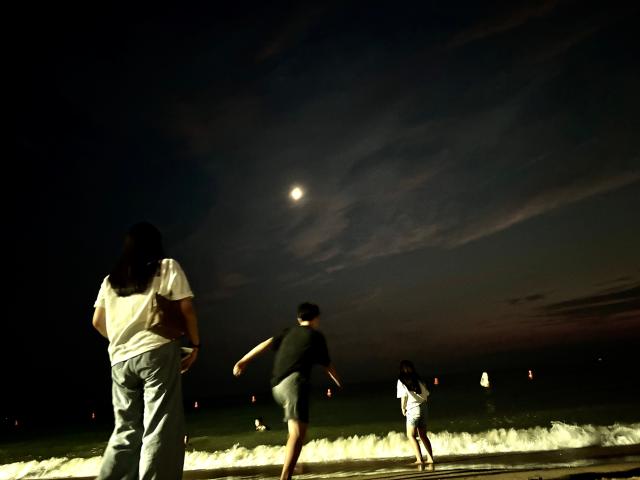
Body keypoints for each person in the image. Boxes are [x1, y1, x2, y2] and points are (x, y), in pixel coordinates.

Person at [92, 222, 201, 480]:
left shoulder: (111, 280)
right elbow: (186, 309)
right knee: (160, 425)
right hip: (157, 351)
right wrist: (196, 345)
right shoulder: (167, 267)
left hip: (119, 360)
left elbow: (97, 321)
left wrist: (122, 339)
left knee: (125, 429)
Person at [233, 302, 341, 480]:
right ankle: (285, 477)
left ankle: (287, 474)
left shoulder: (288, 331)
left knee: (298, 432)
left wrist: (243, 361)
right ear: (316, 318)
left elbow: (266, 343)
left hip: (277, 386)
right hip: (294, 384)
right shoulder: (316, 335)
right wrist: (338, 381)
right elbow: (327, 364)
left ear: (299, 318)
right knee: (297, 434)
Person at [397, 360, 434, 465]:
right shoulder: (418, 379)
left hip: (413, 409)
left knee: (410, 435)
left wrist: (403, 408)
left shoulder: (401, 380)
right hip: (424, 408)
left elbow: (403, 396)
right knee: (423, 435)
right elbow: (426, 394)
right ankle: (430, 459)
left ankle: (419, 459)